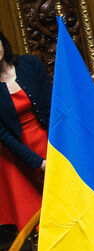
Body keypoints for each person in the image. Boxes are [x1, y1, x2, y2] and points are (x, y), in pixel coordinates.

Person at [0, 30, 49, 230]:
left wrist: (58, 149)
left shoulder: (30, 63)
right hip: (19, 155)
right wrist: (38, 163)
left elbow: (52, 107)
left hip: (47, 141)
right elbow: (3, 135)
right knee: (39, 220)